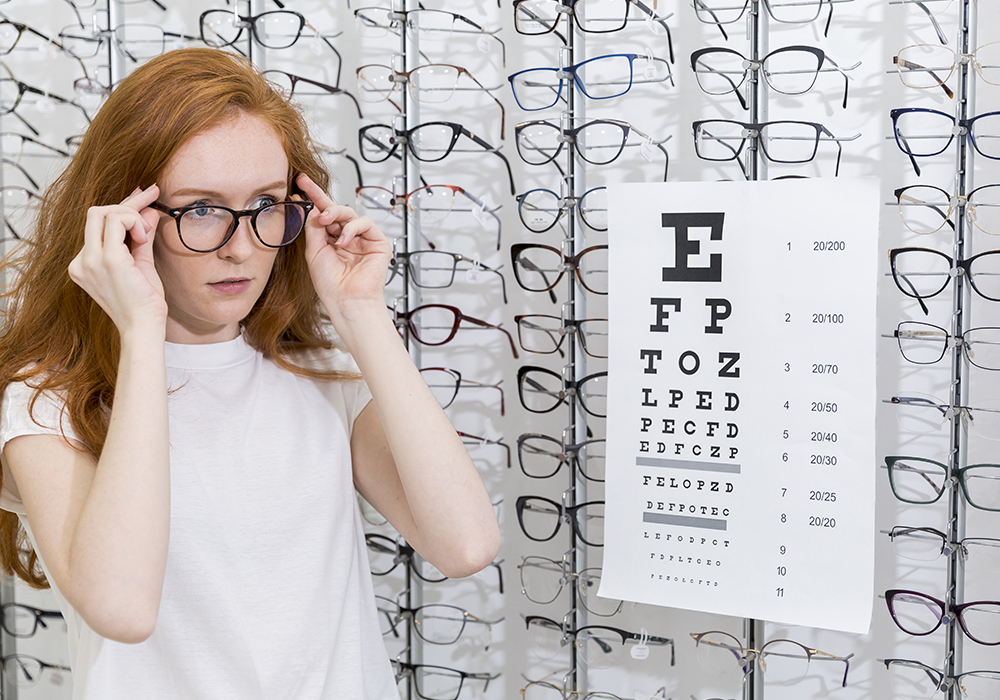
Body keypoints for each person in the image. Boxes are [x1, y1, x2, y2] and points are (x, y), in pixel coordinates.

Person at [0, 47, 501, 699]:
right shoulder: (47, 400)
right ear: (123, 220)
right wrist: (142, 331)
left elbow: (465, 545)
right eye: (201, 209)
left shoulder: (321, 377)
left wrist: (360, 311)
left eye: (266, 203)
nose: (241, 247)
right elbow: (122, 608)